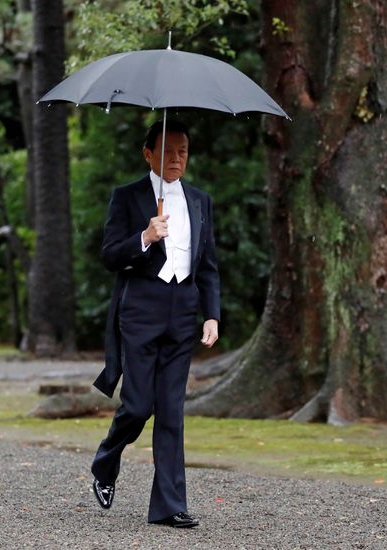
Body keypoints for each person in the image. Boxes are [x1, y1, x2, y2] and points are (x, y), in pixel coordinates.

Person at [89, 120, 220, 528]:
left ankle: (168, 506)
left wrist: (212, 314)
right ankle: (106, 460)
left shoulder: (200, 201)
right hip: (140, 314)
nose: (177, 159)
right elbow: (110, 255)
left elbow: (210, 266)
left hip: (183, 316)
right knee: (138, 406)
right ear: (148, 154)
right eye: (168, 151)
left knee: (171, 413)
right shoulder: (126, 197)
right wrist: (144, 236)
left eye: (183, 151)